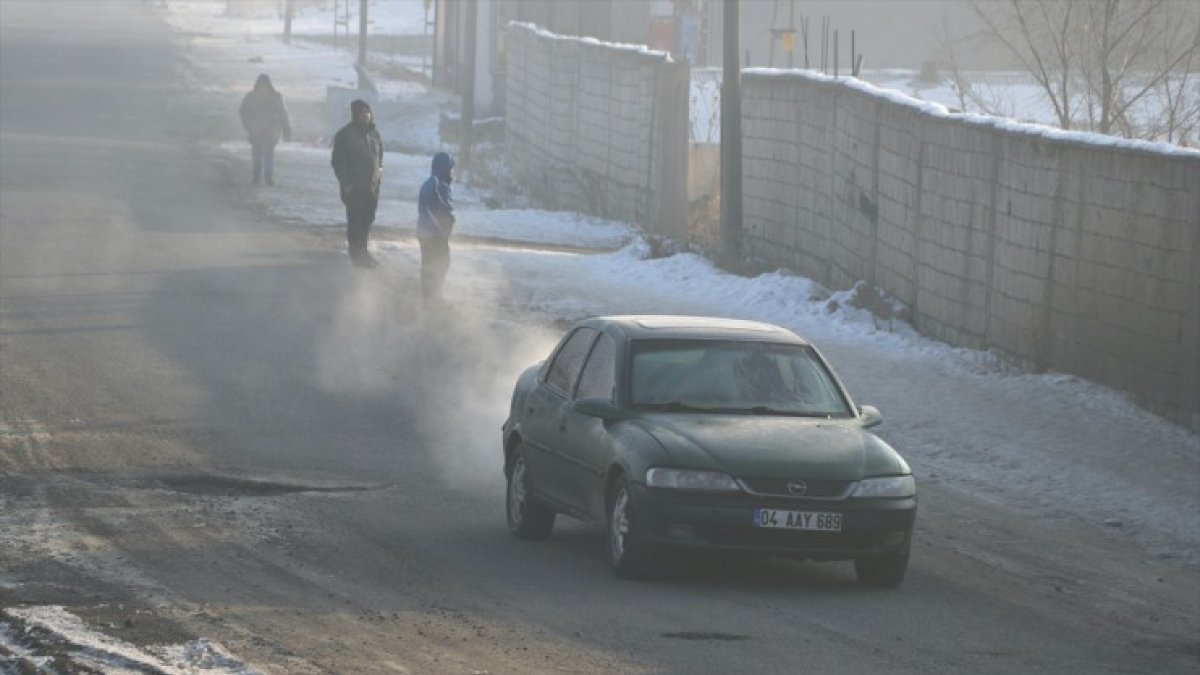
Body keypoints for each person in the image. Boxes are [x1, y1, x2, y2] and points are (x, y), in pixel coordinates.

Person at [331, 99, 384, 268]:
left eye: (367, 113)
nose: (366, 116)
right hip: (354, 188)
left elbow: (379, 159)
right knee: (355, 221)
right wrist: (347, 184)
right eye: (362, 113)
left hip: (371, 188)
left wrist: (378, 179)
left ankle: (364, 252)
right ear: (355, 115)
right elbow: (338, 162)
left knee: (367, 220)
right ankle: (356, 256)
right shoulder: (345, 135)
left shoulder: (375, 134)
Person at [238, 74, 291, 186]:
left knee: (268, 154)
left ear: (269, 86)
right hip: (255, 131)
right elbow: (243, 112)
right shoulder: (250, 98)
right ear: (257, 86)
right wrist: (248, 126)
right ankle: (256, 177)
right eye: (262, 87)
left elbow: (282, 113)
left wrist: (286, 129)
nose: (264, 89)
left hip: (271, 131)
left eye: (265, 86)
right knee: (257, 155)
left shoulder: (276, 97)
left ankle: (268, 177)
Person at [417, 152, 455, 303]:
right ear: (444, 168)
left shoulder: (431, 183)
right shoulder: (438, 184)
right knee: (440, 263)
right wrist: (446, 226)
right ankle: (434, 299)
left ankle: (430, 299)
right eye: (450, 168)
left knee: (429, 264)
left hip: (425, 232)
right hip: (434, 234)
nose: (452, 172)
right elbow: (441, 210)